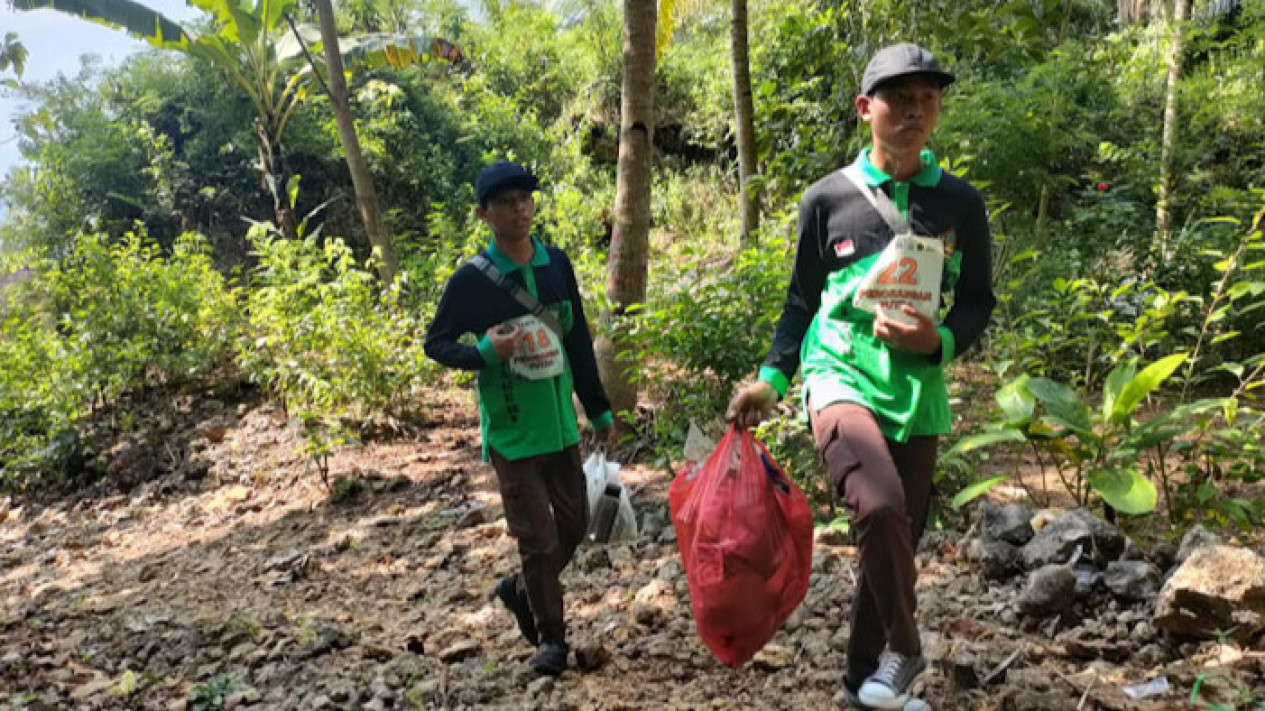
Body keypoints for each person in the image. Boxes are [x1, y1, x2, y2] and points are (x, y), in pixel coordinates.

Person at [727, 43, 995, 710]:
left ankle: (859, 684)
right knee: (875, 506)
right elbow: (799, 302)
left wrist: (937, 341)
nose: (913, 108)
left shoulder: (959, 203)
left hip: (917, 391)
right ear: (863, 108)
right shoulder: (827, 199)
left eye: (926, 97)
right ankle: (905, 651)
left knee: (896, 535)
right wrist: (772, 380)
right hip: (837, 373)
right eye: (898, 97)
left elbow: (976, 302)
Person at [424, 160, 614, 677]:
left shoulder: (556, 265)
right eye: (507, 202)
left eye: (526, 199)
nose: (520, 209)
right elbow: (435, 343)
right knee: (538, 538)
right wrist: (484, 352)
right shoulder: (471, 281)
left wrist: (597, 407)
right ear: (484, 213)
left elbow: (575, 339)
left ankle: (521, 589)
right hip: (511, 432)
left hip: (560, 427)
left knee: (574, 524)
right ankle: (551, 639)